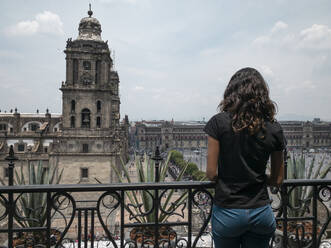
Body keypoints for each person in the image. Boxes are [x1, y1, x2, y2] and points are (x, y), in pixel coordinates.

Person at [204, 67, 285, 248]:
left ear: (232, 91)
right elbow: (278, 179)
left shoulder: (218, 122)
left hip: (228, 212)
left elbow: (211, 173)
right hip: (261, 212)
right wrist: (257, 177)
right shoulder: (274, 127)